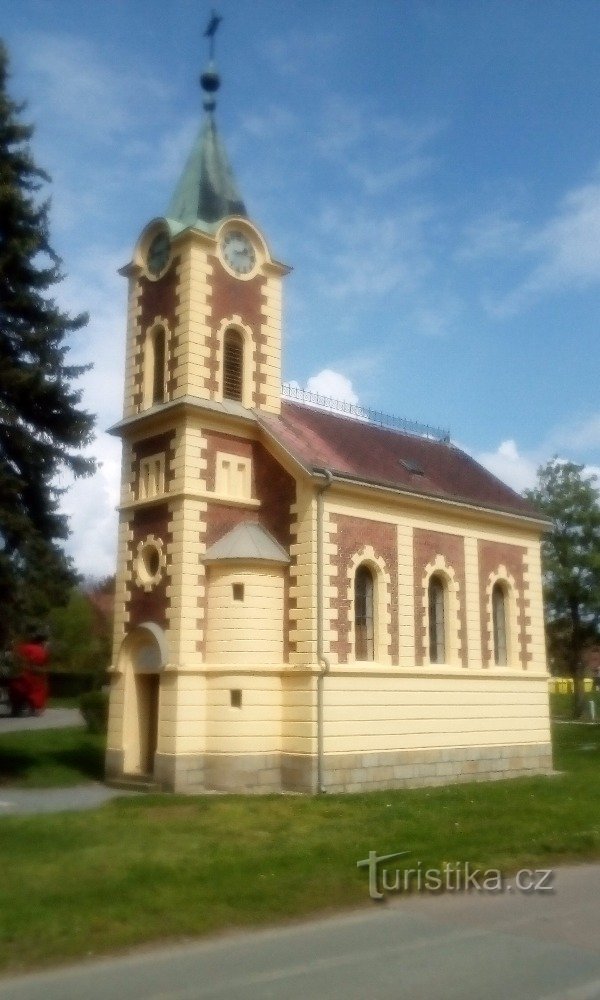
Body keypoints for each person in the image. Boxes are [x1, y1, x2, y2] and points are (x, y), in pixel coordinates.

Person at [9, 630, 50, 716]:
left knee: (17, 688)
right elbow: (43, 664)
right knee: (39, 689)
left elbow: (16, 660)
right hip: (34, 677)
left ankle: (17, 708)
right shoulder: (41, 651)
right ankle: (34, 709)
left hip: (21, 677)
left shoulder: (22, 648)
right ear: (41, 642)